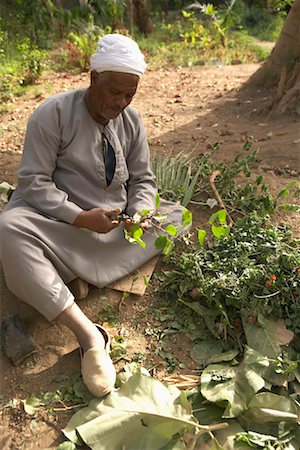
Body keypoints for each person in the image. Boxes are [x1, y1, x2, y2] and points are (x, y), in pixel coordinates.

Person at [0, 34, 187, 397]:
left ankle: (71, 275)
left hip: (115, 230)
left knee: (175, 217)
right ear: (92, 77)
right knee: (8, 228)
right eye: (115, 91)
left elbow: (143, 179)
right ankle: (90, 335)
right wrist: (79, 217)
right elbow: (33, 182)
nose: (121, 102)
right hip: (62, 226)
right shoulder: (50, 115)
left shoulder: (131, 120)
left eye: (129, 95)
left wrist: (139, 213)